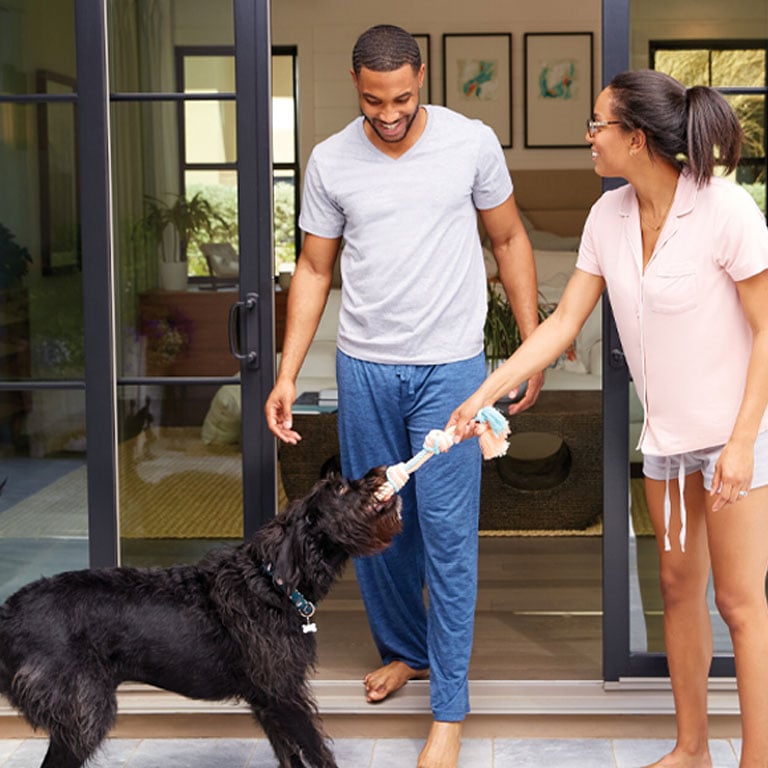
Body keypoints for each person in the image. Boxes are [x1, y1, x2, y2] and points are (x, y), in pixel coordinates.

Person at [448, 69, 768, 768]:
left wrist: (743, 444)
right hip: (668, 442)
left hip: (740, 438)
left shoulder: (725, 211)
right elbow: (565, 321)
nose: (588, 137)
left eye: (598, 125)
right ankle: (692, 749)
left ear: (637, 138)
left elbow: (767, 330)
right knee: (680, 593)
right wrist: (485, 388)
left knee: (740, 605)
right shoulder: (608, 216)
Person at [264, 23, 543, 768]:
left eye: (403, 98)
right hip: (365, 369)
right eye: (373, 101)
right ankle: (407, 651)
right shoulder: (331, 161)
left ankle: (449, 709)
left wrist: (525, 348)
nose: (389, 114)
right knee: (376, 525)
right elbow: (316, 270)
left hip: (451, 369)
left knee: (449, 537)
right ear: (356, 87)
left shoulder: (470, 143)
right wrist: (289, 371)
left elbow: (509, 239)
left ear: (423, 77)